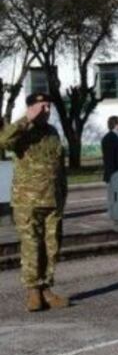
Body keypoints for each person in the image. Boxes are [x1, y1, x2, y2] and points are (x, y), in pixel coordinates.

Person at [0, 93, 69, 312]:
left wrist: (63, 196)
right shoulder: (21, 131)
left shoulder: (52, 132)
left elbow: (59, 167)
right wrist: (25, 119)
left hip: (52, 199)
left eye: (49, 107)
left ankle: (46, 288)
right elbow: (3, 141)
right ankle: (33, 291)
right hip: (27, 201)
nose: (46, 111)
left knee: (52, 246)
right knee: (31, 245)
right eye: (42, 107)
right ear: (31, 108)